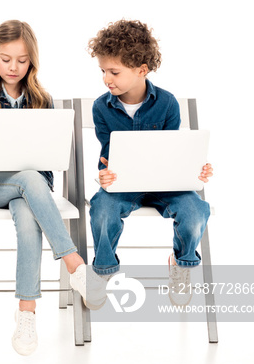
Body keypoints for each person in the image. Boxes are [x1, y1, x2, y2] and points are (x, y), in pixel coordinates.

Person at [0, 20, 97, 357]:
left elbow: (51, 151)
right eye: (6, 59)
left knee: (28, 208)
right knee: (29, 179)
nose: (13, 67)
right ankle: (75, 263)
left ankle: (26, 312)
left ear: (31, 59)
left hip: (29, 192)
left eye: (21, 60)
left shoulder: (41, 99)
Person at [87, 19, 213, 307]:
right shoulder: (100, 107)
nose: (107, 79)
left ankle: (182, 263)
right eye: (103, 71)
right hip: (124, 185)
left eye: (114, 72)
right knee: (102, 210)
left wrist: (197, 169)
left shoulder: (167, 103)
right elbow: (108, 154)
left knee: (195, 210)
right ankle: (104, 269)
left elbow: (175, 150)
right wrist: (104, 173)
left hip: (164, 184)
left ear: (141, 70)